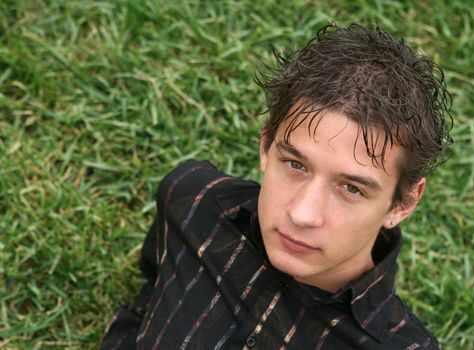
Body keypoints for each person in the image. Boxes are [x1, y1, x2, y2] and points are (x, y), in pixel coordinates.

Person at [100, 23, 452, 349]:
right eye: (295, 164)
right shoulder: (193, 204)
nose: (302, 214)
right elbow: (151, 295)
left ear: (402, 204)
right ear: (266, 144)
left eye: (352, 189)